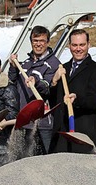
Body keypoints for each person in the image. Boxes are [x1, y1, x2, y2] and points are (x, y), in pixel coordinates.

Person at [49, 29, 96, 154]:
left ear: (88, 45)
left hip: (82, 136)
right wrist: (53, 81)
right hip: (61, 136)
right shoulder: (63, 69)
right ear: (69, 46)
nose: (78, 49)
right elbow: (53, 100)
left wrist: (76, 99)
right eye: (74, 45)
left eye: (82, 45)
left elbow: (93, 101)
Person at [8, 25, 61, 154]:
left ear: (47, 42)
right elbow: (13, 81)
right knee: (26, 162)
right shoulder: (26, 62)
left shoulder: (54, 63)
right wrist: (13, 67)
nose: (38, 44)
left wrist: (36, 81)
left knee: (46, 161)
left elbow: (47, 87)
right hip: (24, 121)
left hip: (43, 124)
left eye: (42, 41)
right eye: (35, 41)